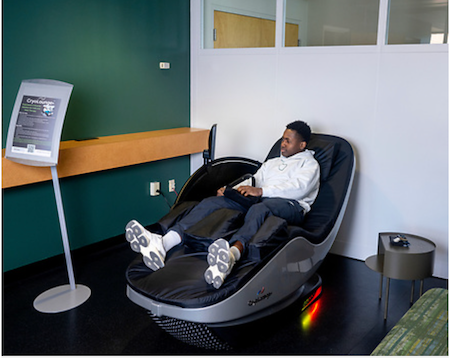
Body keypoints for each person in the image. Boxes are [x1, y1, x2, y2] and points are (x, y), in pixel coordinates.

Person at [125, 120, 320, 289]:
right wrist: (233, 189)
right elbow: (255, 180)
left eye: (288, 140)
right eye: (282, 138)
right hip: (261, 198)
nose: (282, 144)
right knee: (214, 202)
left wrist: (261, 192)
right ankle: (164, 243)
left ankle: (232, 255)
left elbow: (298, 189)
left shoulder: (309, 164)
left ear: (301, 144)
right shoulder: (273, 162)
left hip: (291, 205)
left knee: (259, 208)